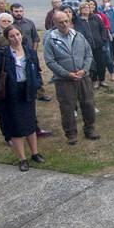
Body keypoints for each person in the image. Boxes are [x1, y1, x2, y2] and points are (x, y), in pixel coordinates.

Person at [0, 26, 45, 171]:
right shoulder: (1, 55)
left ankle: (35, 153)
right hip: (9, 93)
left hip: (26, 90)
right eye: (12, 36)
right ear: (7, 39)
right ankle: (22, 158)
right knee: (16, 126)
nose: (16, 38)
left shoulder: (30, 52)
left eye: (18, 34)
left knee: (30, 123)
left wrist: (36, 84)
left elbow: (37, 70)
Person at [44, 10, 99, 144]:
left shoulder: (78, 36)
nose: (64, 24)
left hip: (83, 77)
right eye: (60, 22)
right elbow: (50, 61)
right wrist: (66, 74)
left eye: (66, 21)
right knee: (67, 107)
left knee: (88, 103)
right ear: (55, 23)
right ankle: (71, 134)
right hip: (64, 80)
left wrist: (84, 70)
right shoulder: (50, 39)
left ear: (69, 20)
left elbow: (88, 54)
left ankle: (89, 129)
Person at [11, 3, 51, 102]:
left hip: (31, 53)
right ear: (12, 12)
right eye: (16, 11)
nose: (19, 13)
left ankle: (40, 94)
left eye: (20, 11)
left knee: (36, 72)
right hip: (17, 55)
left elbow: (36, 38)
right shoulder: (11, 26)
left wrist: (33, 50)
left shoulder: (29, 22)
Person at [77, 1, 110, 88]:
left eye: (87, 7)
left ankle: (102, 80)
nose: (86, 9)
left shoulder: (95, 17)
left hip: (99, 45)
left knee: (101, 63)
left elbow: (103, 28)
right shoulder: (78, 21)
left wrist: (103, 39)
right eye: (84, 8)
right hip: (87, 47)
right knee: (91, 65)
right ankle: (94, 80)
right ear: (80, 10)